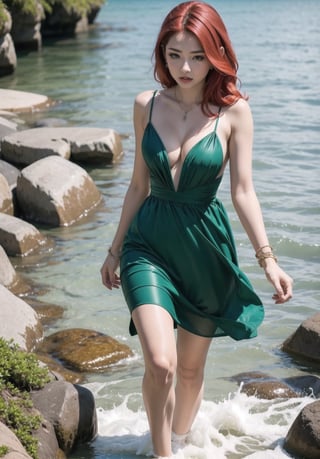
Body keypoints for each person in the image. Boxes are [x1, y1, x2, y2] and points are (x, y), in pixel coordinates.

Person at [100, 2, 293, 457]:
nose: (184, 68)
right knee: (161, 363)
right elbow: (136, 186)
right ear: (161, 55)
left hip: (205, 248)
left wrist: (268, 260)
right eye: (173, 55)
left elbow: (244, 192)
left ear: (217, 53)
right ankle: (163, 453)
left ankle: (183, 440)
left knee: (189, 371)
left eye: (197, 56)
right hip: (147, 244)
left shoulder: (235, 112)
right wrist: (113, 251)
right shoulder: (145, 105)